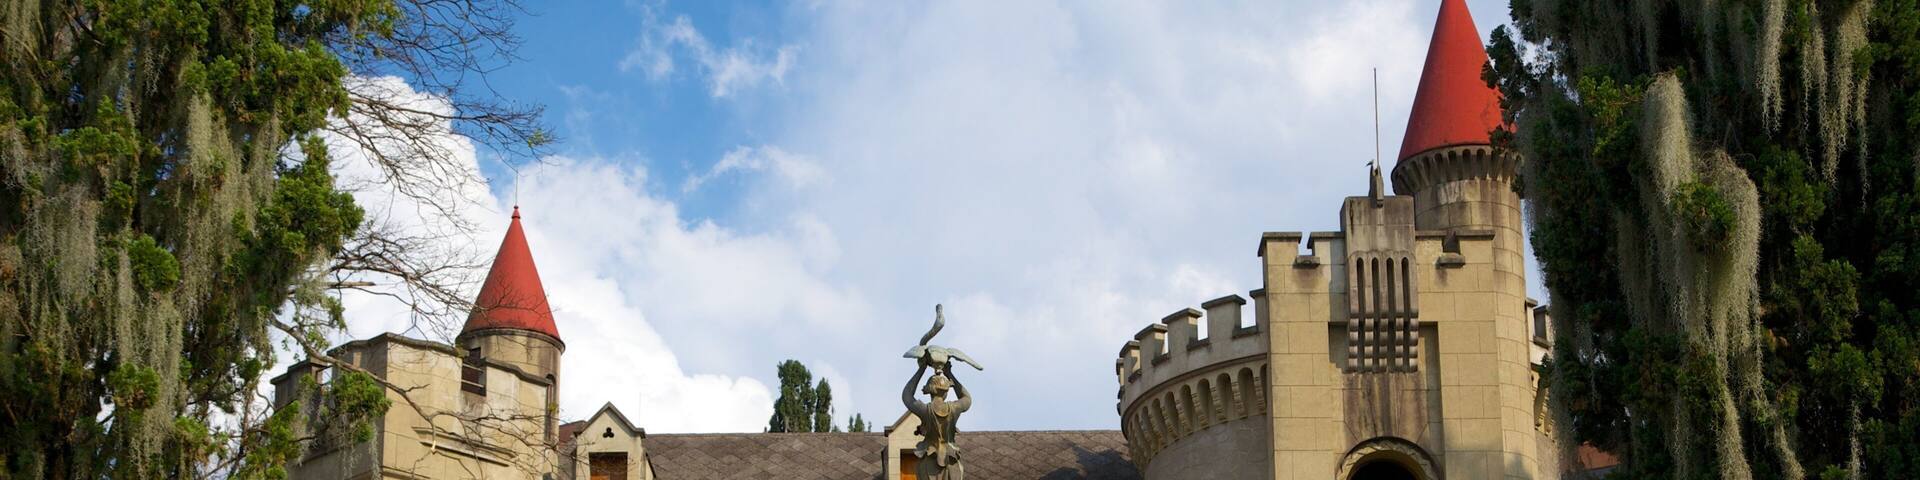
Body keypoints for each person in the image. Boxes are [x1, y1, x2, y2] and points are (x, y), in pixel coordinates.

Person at [902, 357, 971, 480]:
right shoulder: (954, 408)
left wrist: (921, 369)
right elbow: (967, 399)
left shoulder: (925, 410)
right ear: (946, 392)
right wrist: (950, 373)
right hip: (951, 461)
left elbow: (907, 396)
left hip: (929, 462)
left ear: (929, 390)